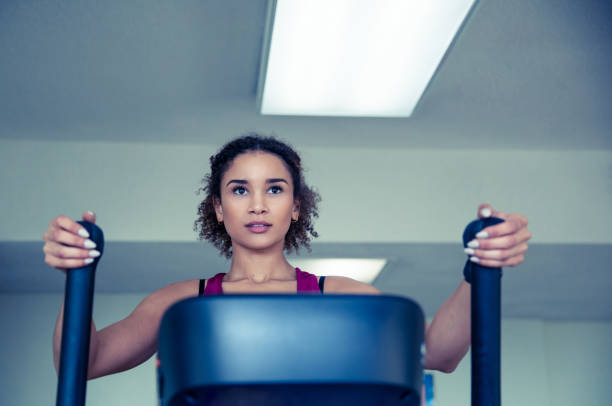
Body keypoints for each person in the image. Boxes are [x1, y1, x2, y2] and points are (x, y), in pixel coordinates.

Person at [43, 134, 531, 379]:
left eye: (274, 189)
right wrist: (76, 275)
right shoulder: (178, 303)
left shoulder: (340, 295)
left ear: (295, 206)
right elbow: (81, 362)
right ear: (218, 206)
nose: (257, 204)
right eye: (239, 190)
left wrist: (481, 267)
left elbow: (439, 354)